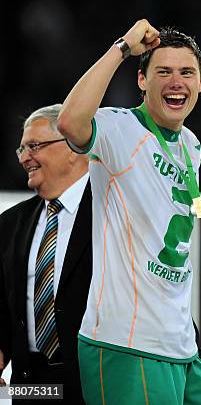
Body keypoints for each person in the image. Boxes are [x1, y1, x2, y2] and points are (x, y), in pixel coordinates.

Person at [57, 19, 201, 405]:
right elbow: (69, 122)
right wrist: (121, 49)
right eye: (163, 71)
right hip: (128, 342)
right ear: (142, 80)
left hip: (181, 343)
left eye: (187, 72)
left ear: (200, 84)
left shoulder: (191, 145)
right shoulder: (119, 129)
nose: (176, 81)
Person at [0, 104, 91, 404]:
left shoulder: (112, 212)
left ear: (73, 147)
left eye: (34, 146)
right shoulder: (10, 223)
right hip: (33, 391)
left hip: (98, 386)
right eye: (22, 149)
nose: (25, 158)